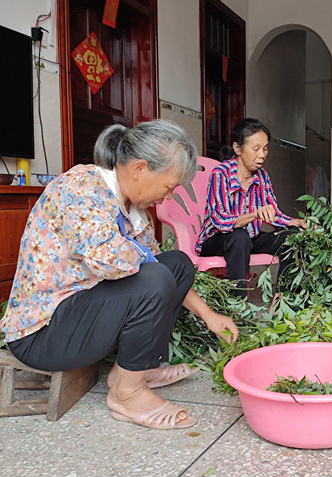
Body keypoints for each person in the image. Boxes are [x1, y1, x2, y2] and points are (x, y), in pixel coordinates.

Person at [0, 120, 239, 429]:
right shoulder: (80, 187)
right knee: (155, 276)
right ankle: (127, 394)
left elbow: (160, 269)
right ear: (139, 169)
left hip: (82, 316)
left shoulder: (135, 211)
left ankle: (133, 371)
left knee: (177, 264)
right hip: (43, 334)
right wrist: (148, 259)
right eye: (168, 187)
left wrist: (209, 316)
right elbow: (110, 261)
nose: (168, 197)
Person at [196, 118, 307, 298]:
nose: (262, 155)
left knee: (292, 236)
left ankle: (282, 299)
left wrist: (296, 222)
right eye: (256, 149)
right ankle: (238, 302)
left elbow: (274, 213)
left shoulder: (262, 176)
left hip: (249, 239)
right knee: (239, 236)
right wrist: (254, 215)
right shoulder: (221, 174)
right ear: (238, 148)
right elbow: (221, 221)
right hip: (217, 240)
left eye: (265, 148)